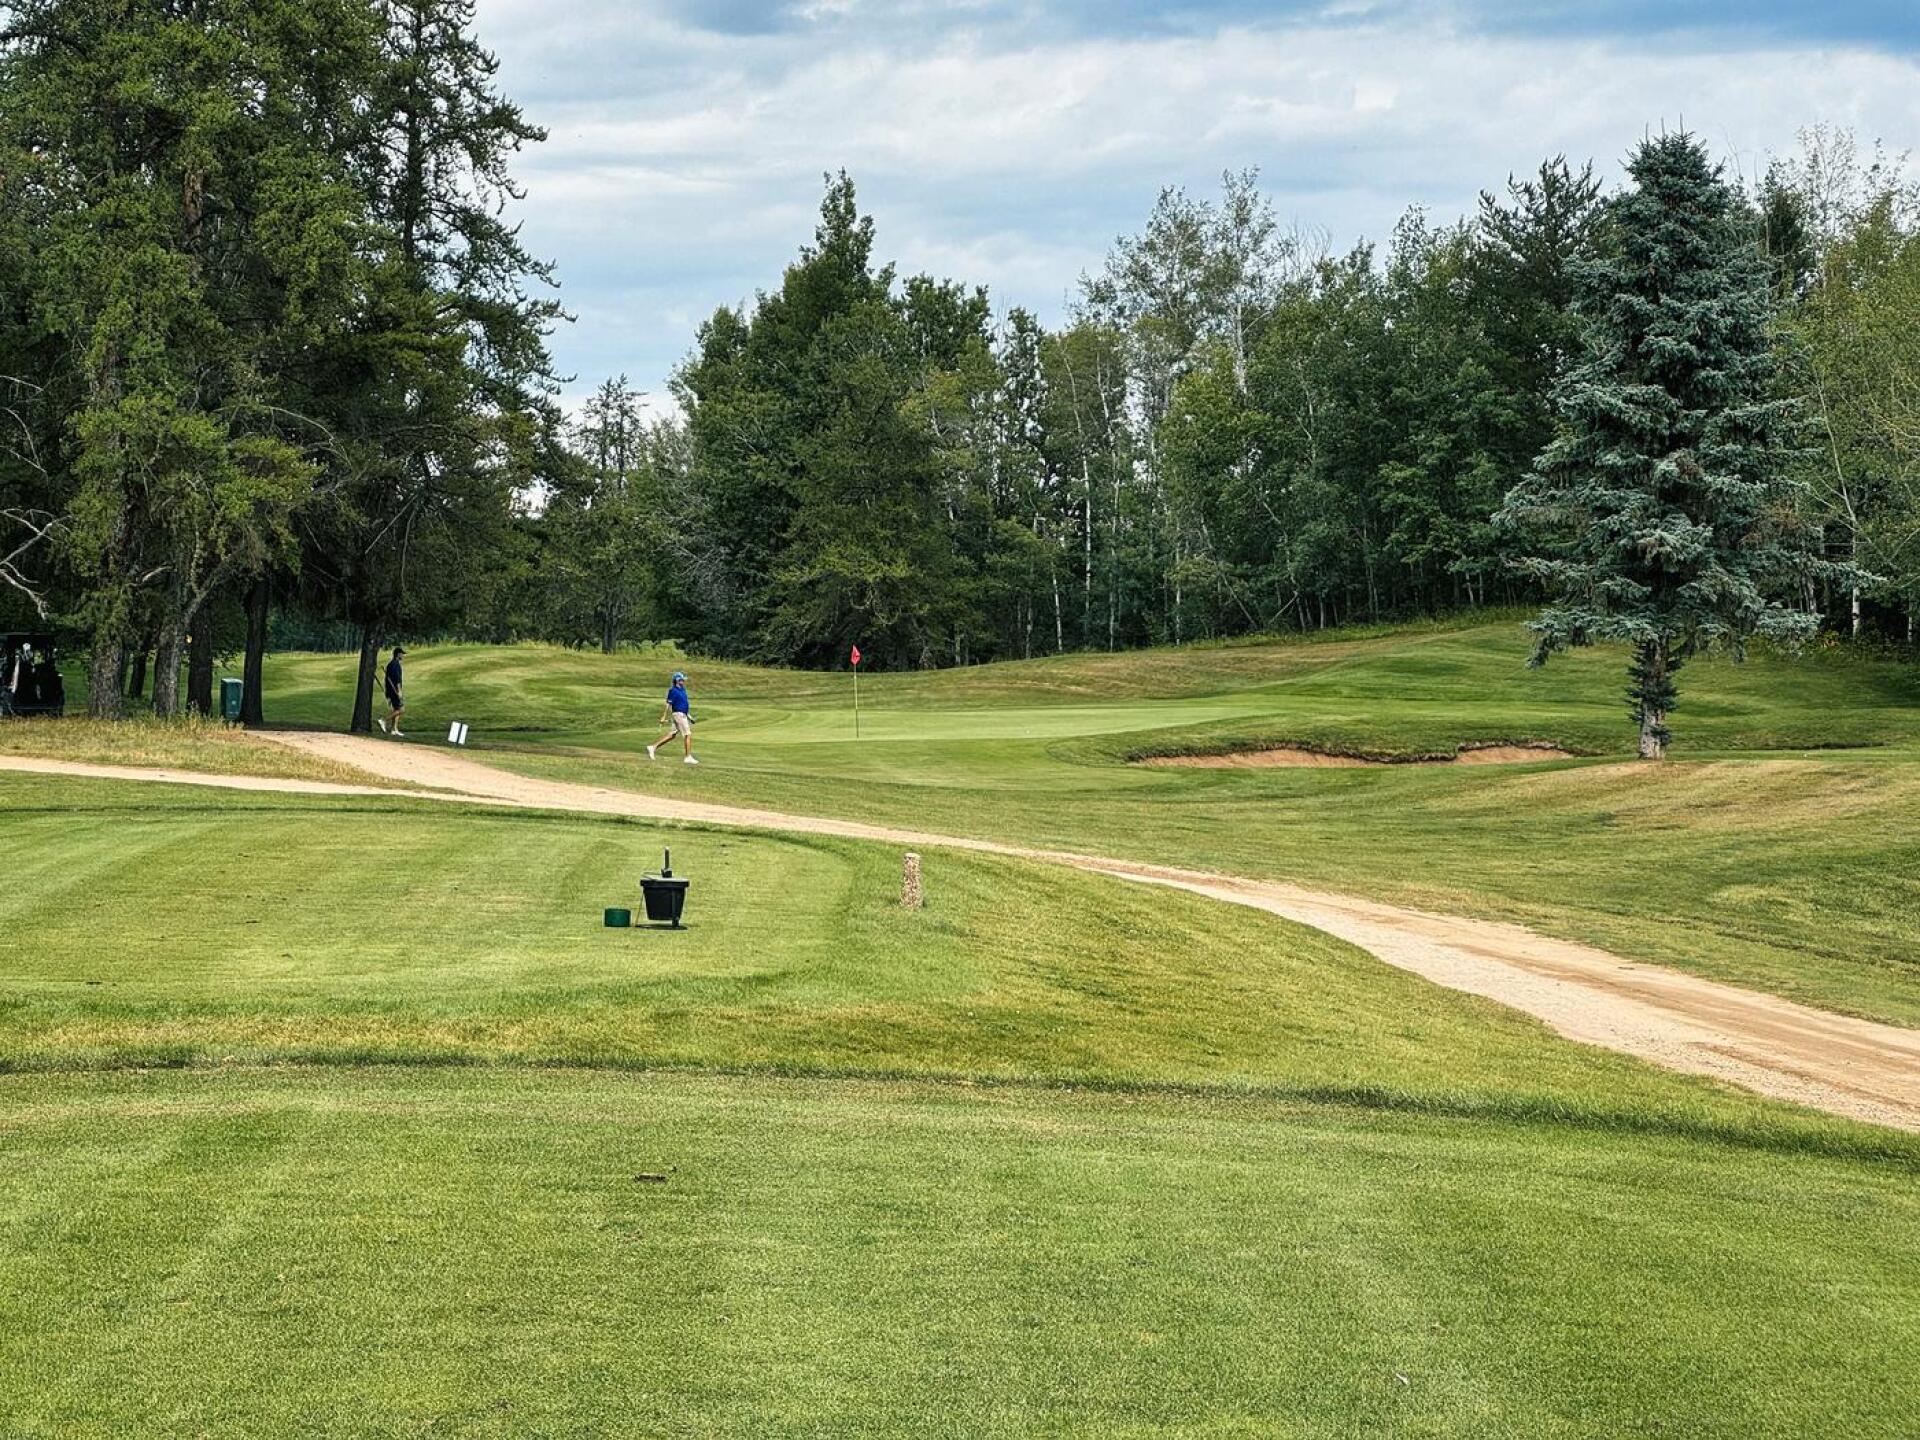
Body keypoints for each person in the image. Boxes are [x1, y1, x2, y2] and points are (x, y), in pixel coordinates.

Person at [647, 670, 698, 765]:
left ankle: (653, 747)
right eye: (682, 680)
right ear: (677, 680)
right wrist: (663, 716)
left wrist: (690, 717)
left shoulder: (683, 690)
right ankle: (687, 757)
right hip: (678, 715)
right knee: (687, 734)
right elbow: (668, 704)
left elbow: (684, 705)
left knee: (672, 735)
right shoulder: (673, 691)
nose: (683, 681)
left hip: (682, 714)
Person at [377, 645, 407, 736]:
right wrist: (399, 691)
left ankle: (394, 729)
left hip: (391, 690)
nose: (403, 656)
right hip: (394, 690)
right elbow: (397, 679)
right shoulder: (395, 665)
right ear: (398, 654)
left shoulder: (391, 664)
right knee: (401, 709)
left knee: (396, 709)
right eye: (402, 654)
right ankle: (383, 720)